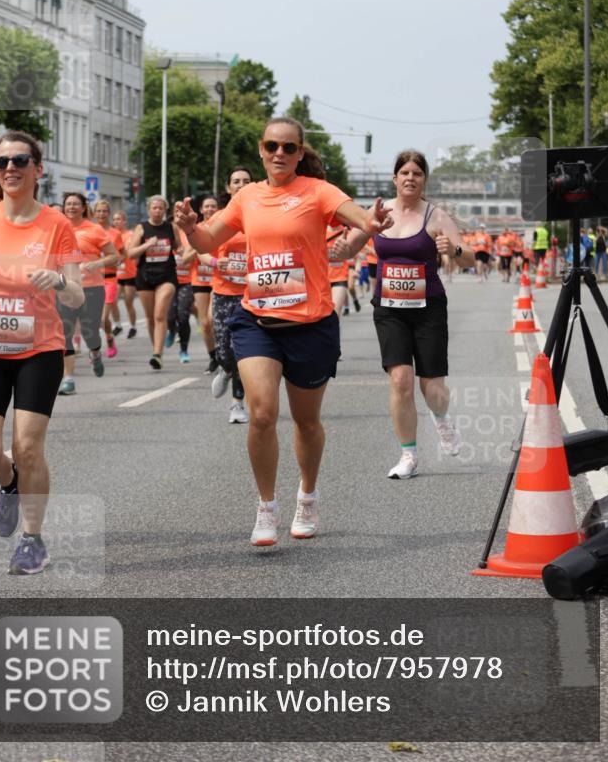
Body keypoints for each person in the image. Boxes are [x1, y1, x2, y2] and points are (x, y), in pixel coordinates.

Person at [174, 116, 390, 547]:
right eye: (272, 146)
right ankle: (266, 507)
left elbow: (358, 217)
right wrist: (187, 224)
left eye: (288, 148)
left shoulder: (317, 192)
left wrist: (372, 222)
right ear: (260, 149)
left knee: (307, 422)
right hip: (257, 321)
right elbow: (205, 243)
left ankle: (306, 497)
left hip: (310, 325)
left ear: (299, 152)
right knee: (262, 413)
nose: (279, 154)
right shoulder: (248, 196)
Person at [0, 131, 83, 574]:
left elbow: (78, 296)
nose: (10, 167)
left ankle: (33, 541)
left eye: (20, 160)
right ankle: (9, 484)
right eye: (3, 160)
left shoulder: (56, 225)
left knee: (27, 448)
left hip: (38, 351)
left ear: (37, 169)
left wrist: (60, 282)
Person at [336, 149, 475, 481]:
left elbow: (467, 257)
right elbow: (352, 245)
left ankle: (441, 420)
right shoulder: (379, 213)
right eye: (405, 172)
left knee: (433, 388)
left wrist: (453, 251)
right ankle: (408, 455)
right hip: (389, 310)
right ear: (395, 178)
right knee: (400, 380)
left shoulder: (436, 216)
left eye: (417, 173)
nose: (410, 178)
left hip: (428, 309)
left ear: (424, 180)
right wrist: (342, 250)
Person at [57, 193, 118, 395]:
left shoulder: (94, 229)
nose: (71, 207)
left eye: (76, 204)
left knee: (89, 332)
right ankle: (68, 378)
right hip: (65, 288)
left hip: (92, 287)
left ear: (83, 208)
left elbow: (114, 256)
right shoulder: (57, 227)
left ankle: (95, 353)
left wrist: (97, 263)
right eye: (68, 204)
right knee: (65, 332)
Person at [210, 167, 253, 423]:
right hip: (224, 292)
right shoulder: (219, 218)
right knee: (225, 351)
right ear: (228, 188)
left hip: (252, 293)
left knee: (242, 350)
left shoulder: (261, 216)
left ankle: (237, 404)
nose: (241, 185)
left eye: (246, 181)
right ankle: (225, 369)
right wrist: (217, 263)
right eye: (235, 181)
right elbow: (202, 249)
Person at [127, 195, 178, 370]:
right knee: (150, 318)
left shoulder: (171, 227)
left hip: (167, 276)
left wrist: (190, 253)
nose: (157, 211)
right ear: (149, 209)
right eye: (154, 208)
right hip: (145, 277)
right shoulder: (142, 228)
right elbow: (131, 253)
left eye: (160, 208)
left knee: (159, 315)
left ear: (165, 210)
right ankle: (157, 350)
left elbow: (180, 247)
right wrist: (147, 245)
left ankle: (157, 354)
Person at [190, 194, 219, 374]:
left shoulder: (223, 227)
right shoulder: (195, 229)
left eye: (213, 206)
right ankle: (213, 356)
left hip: (218, 279)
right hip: (199, 279)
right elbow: (186, 255)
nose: (209, 209)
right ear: (201, 210)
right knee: (205, 324)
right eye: (206, 206)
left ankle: (224, 351)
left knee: (212, 319)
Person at [92, 199, 125, 358]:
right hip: (91, 280)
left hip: (109, 279)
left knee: (104, 317)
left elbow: (123, 253)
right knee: (95, 318)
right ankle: (106, 338)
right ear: (93, 213)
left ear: (109, 213)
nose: (101, 214)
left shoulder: (115, 233)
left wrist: (119, 259)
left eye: (104, 211)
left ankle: (109, 339)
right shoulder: (88, 231)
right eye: (98, 211)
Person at [166, 224, 195, 362]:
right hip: (169, 281)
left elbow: (193, 255)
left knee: (183, 316)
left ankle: (184, 350)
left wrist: (185, 252)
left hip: (187, 281)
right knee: (170, 316)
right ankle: (171, 329)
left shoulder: (191, 234)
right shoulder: (166, 234)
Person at [112, 210, 139, 337]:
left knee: (129, 302)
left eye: (119, 219)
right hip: (116, 274)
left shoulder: (130, 235)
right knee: (112, 301)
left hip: (129, 273)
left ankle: (133, 327)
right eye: (115, 219)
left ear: (124, 221)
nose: (117, 222)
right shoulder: (111, 235)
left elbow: (127, 252)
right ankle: (118, 325)